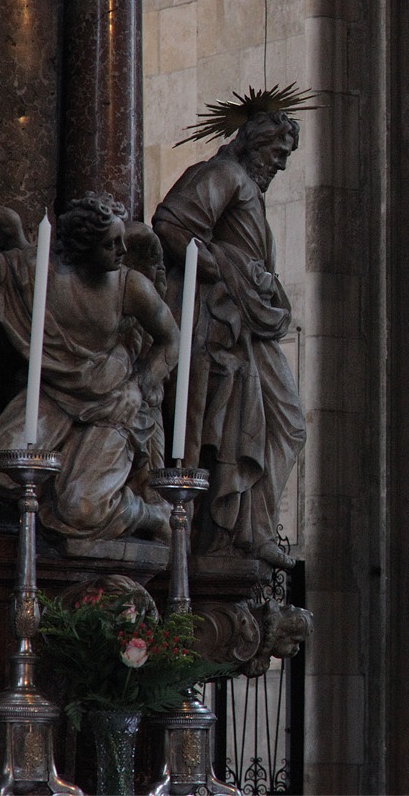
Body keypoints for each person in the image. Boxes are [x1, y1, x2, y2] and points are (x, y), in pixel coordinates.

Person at [0, 194, 177, 542]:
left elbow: (171, 338)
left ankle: (148, 514)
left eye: (122, 240)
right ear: (82, 246)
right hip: (52, 393)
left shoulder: (129, 286)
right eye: (111, 243)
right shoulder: (41, 272)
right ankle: (72, 482)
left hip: (112, 401)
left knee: (83, 509)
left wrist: (139, 385)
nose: (122, 250)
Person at [152, 94, 308, 569]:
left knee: (286, 425)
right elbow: (170, 223)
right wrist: (229, 268)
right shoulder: (224, 176)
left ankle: (253, 527)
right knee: (263, 424)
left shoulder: (250, 190)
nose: (281, 165)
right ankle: (236, 530)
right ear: (257, 143)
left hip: (250, 323)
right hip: (224, 323)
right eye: (278, 153)